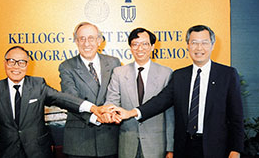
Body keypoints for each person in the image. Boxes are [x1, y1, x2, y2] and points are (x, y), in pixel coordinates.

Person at [113, 25, 244, 158]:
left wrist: (236, 149)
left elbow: (236, 117)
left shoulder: (227, 75)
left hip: (216, 148)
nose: (199, 48)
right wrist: (131, 112)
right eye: (194, 43)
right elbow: (160, 101)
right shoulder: (179, 76)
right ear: (187, 45)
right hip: (185, 147)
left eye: (204, 42)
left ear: (212, 45)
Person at [0, 46, 108, 158]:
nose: (16, 67)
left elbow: (61, 98)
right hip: (6, 153)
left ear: (27, 65)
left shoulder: (38, 84)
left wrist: (92, 108)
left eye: (21, 62)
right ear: (5, 63)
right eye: (11, 61)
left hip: (38, 152)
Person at [104, 28, 174, 158]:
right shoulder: (119, 73)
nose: (140, 48)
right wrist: (112, 113)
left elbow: (170, 115)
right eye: (135, 44)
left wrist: (170, 148)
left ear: (152, 47)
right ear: (130, 47)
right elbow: (111, 101)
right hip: (127, 143)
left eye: (145, 44)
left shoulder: (166, 73)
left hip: (157, 144)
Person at [58, 22, 120, 157]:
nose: (87, 43)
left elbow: (117, 95)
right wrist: (97, 117)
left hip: (109, 139)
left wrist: (109, 114)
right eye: (82, 38)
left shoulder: (114, 62)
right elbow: (71, 99)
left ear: (99, 41)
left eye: (91, 38)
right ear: (76, 41)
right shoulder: (66, 66)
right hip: (80, 143)